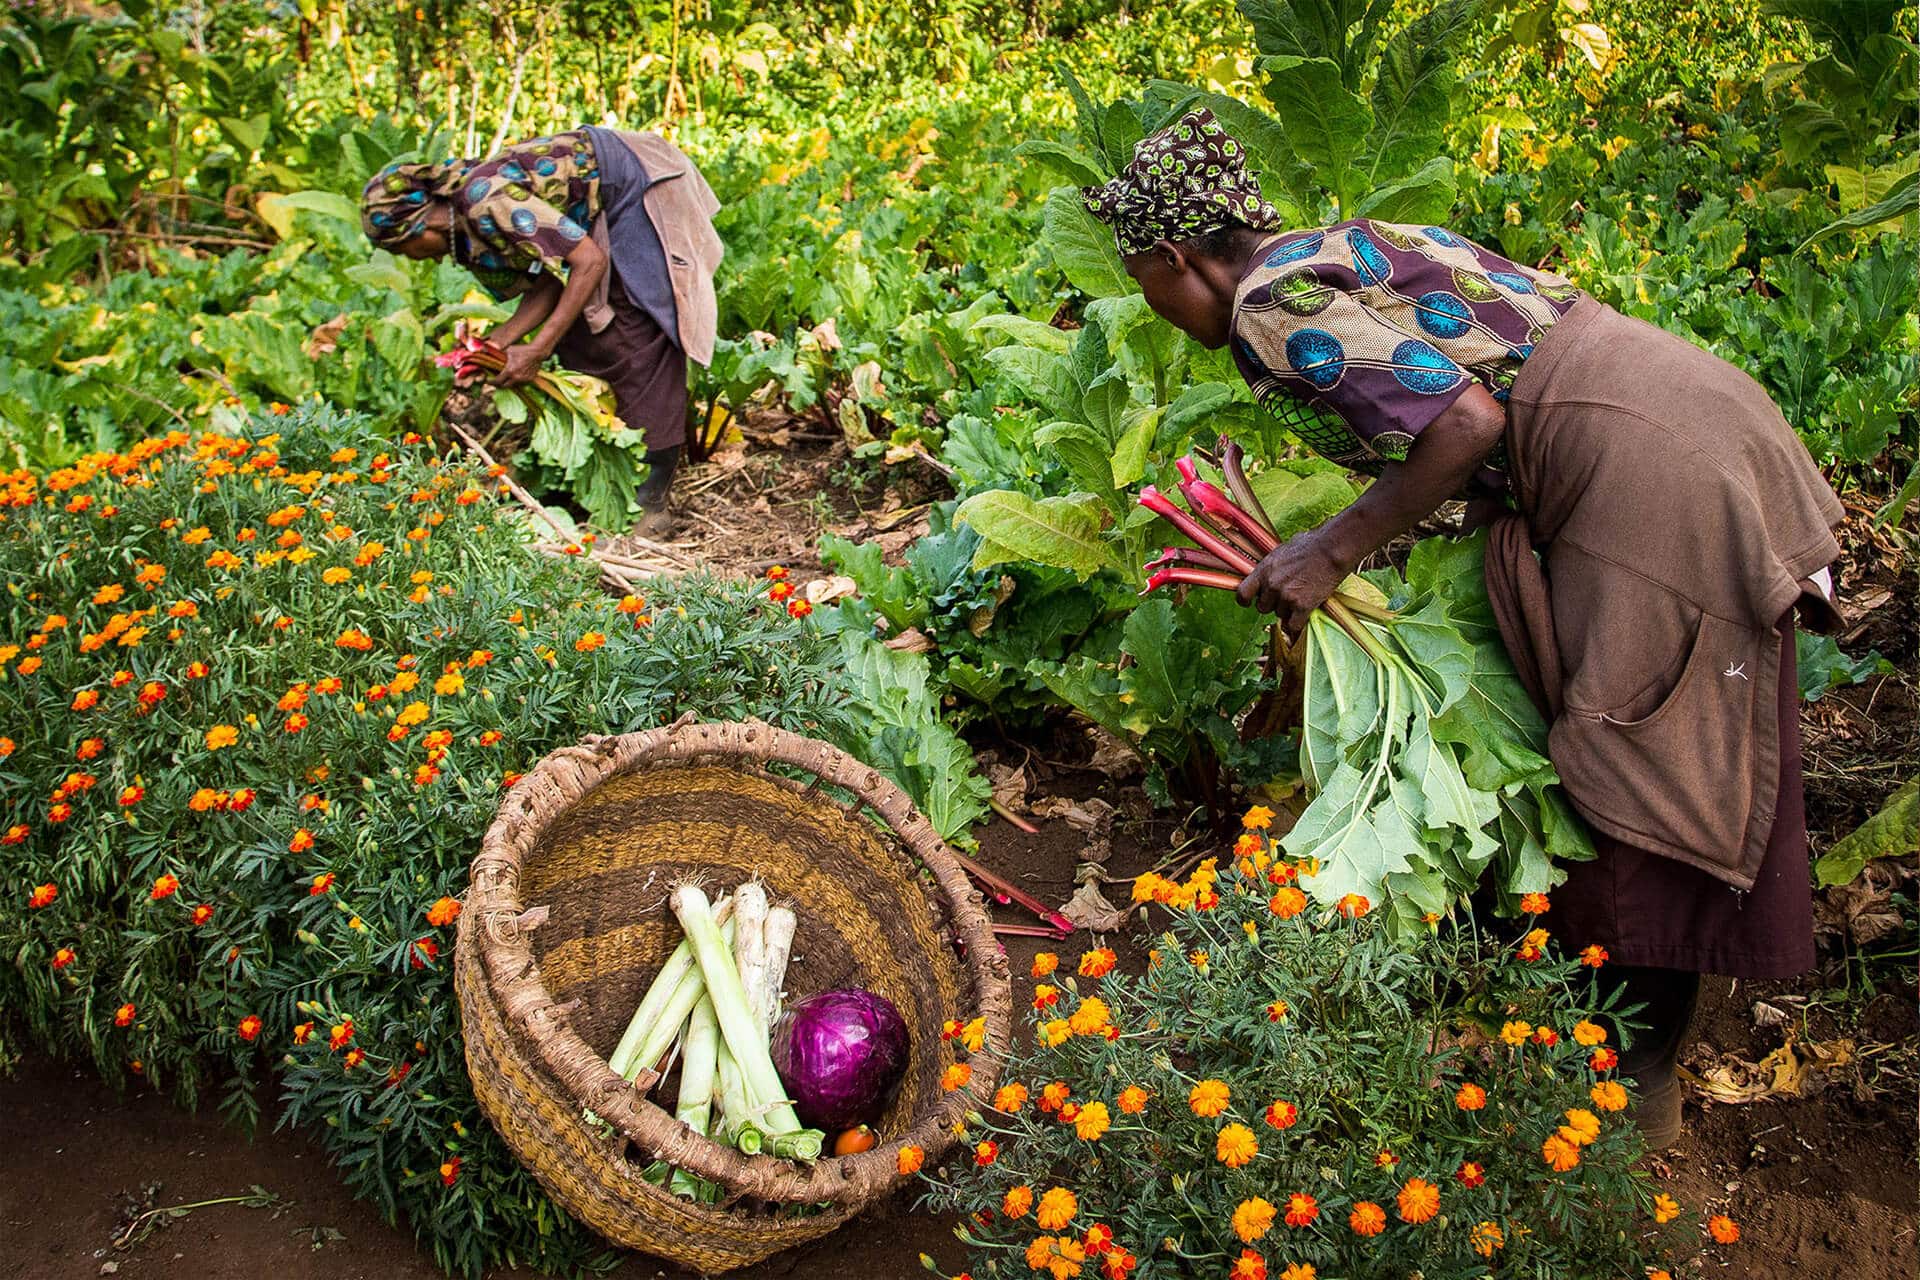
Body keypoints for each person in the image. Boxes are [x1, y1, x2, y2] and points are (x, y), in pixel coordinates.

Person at [1084, 108, 1847, 1147]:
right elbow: (1477, 392)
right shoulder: (1339, 245)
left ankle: (1635, 1101)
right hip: (1684, 413)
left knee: (1637, 770)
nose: (1154, 303)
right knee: (1656, 738)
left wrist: (1329, 550)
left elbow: (1470, 422)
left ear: (1179, 257)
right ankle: (1597, 1052)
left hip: (1642, 471)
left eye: (1144, 281)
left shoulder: (1271, 302)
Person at [359, 127, 723, 533]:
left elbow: (589, 262)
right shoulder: (467, 227)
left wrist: (536, 349)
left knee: (633, 336)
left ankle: (649, 509)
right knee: (582, 339)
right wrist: (498, 344)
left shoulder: (485, 202)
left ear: (418, 227)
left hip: (637, 181)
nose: (413, 259)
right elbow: (550, 278)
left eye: (401, 250)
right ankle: (603, 487)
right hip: (601, 206)